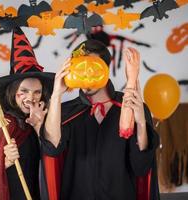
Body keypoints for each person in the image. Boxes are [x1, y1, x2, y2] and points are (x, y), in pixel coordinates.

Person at [40, 39, 160, 200]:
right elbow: (52, 149)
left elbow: (141, 167)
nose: (86, 73)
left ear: (106, 69)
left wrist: (140, 123)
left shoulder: (132, 106)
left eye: (93, 66)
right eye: (80, 67)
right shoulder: (65, 111)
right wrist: (56, 95)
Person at [0, 27, 55, 200]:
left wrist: (38, 127)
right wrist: (6, 162)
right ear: (13, 93)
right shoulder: (6, 122)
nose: (30, 98)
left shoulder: (44, 119)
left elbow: (52, 159)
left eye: (37, 92)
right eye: (24, 91)